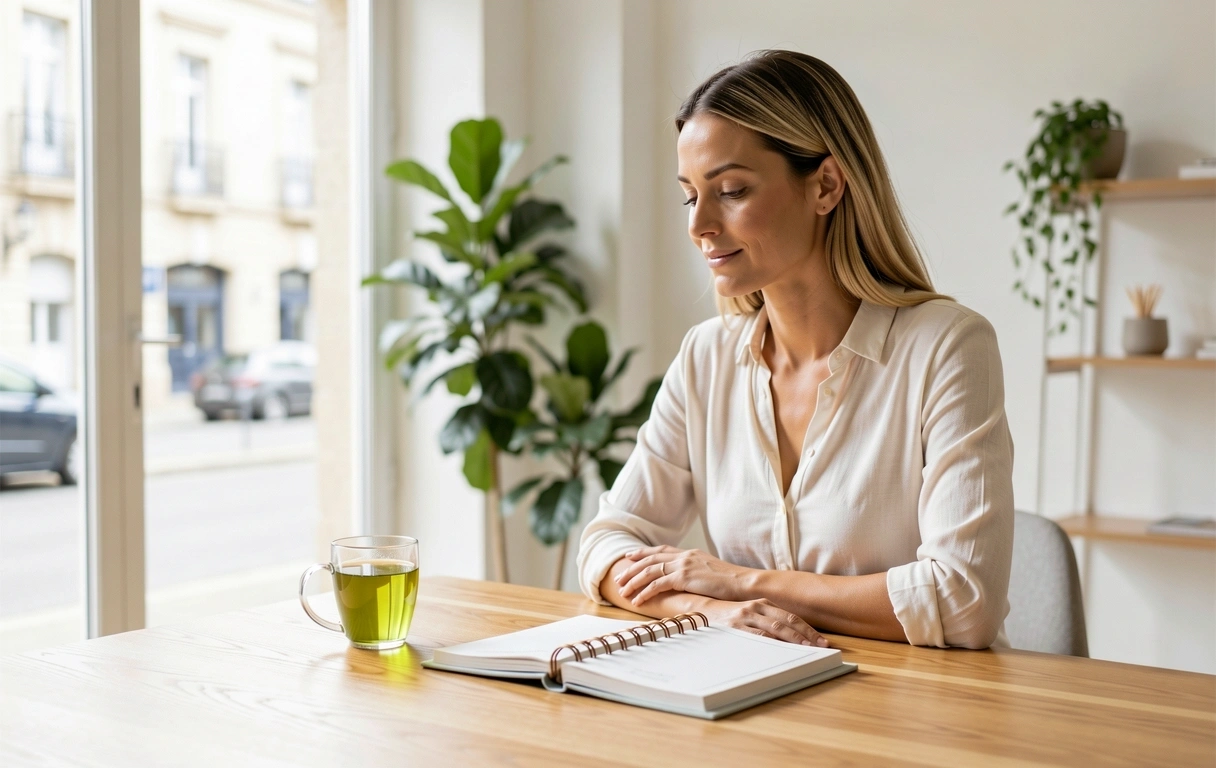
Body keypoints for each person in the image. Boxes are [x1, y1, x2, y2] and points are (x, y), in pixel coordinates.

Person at [576, 50, 1014, 650]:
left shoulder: (948, 347)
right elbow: (606, 544)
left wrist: (738, 582)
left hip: (916, 701)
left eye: (731, 190)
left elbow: (964, 601)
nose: (699, 225)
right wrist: (708, 610)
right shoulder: (706, 358)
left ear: (826, 185)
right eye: (690, 196)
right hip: (750, 693)